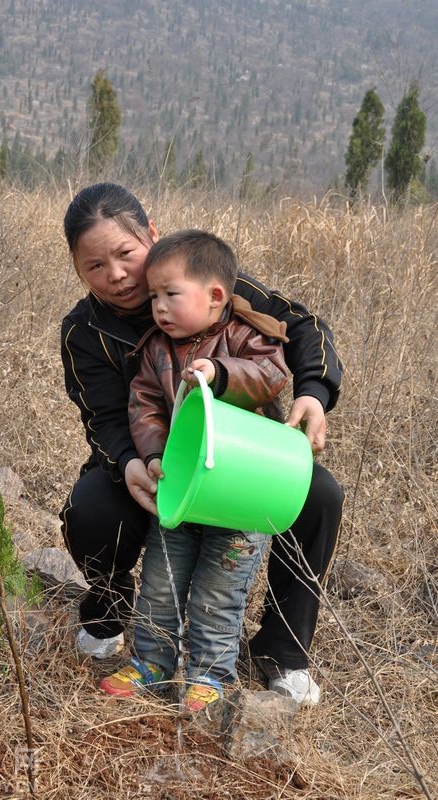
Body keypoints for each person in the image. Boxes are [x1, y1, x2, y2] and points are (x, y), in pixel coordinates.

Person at [60, 182, 344, 706]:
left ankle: (283, 654)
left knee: (319, 494)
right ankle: (109, 617)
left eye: (126, 253)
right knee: (92, 508)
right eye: (94, 265)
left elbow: (300, 327)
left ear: (151, 235)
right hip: (157, 464)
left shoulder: (211, 282)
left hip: (244, 459)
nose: (117, 275)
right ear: (77, 269)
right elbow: (105, 417)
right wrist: (132, 463)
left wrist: (314, 392)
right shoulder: (86, 331)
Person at [97, 229, 290, 711]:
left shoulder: (247, 335)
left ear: (215, 296)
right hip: (182, 491)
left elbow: (271, 375)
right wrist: (156, 454)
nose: (157, 306)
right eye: (155, 295)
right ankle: (152, 663)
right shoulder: (156, 349)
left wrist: (220, 373)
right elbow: (144, 406)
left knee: (217, 593)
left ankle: (209, 675)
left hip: (239, 493)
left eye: (170, 294)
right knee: (160, 583)